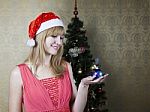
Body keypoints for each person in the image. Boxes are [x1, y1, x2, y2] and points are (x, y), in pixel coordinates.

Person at [9, 12, 108, 112]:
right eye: (54, 36)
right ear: (40, 37)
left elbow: (75, 110)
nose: (59, 42)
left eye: (61, 38)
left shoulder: (65, 66)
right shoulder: (18, 73)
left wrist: (84, 85)